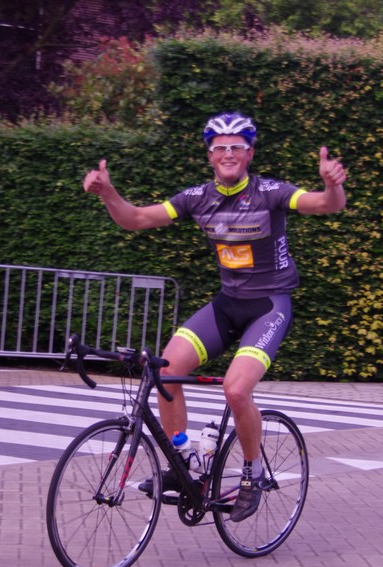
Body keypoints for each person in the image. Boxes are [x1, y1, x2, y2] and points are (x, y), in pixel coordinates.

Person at [82, 111, 347, 522]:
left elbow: (325, 205)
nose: (228, 153)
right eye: (220, 147)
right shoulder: (196, 198)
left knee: (236, 391)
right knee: (166, 371)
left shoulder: (270, 192)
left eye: (237, 147)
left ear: (249, 154)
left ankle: (253, 474)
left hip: (269, 306)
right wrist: (108, 192)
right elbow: (135, 219)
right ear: (210, 155)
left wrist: (332, 186)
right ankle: (182, 462)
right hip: (227, 304)